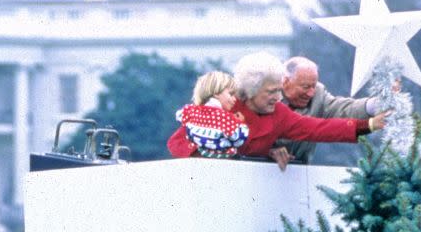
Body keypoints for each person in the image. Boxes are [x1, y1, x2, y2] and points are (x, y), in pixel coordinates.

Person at [167, 52, 390, 170]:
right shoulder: (227, 105)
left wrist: (369, 125)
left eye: (279, 91)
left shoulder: (279, 114)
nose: (278, 97)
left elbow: (320, 128)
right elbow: (179, 142)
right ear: (252, 91)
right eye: (272, 92)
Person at [273, 56, 380, 164]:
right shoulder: (265, 95)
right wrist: (268, 151)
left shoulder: (318, 95)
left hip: (300, 173)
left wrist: (372, 106)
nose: (311, 93)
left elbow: (340, 111)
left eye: (313, 86)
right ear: (285, 82)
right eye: (305, 87)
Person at [175, 71, 249, 158]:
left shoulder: (191, 111)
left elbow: (179, 116)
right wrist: (240, 123)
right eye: (231, 94)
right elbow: (238, 139)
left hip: (197, 158)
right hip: (221, 160)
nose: (234, 99)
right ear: (216, 93)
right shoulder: (225, 118)